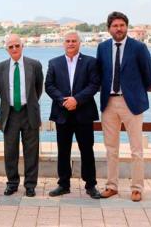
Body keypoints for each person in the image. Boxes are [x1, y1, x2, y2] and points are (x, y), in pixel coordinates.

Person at [97, 11, 151, 202]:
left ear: (126, 27)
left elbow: (149, 77)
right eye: (115, 26)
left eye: (122, 25)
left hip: (132, 103)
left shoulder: (139, 47)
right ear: (109, 29)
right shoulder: (102, 47)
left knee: (136, 149)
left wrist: (134, 91)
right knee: (111, 148)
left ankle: (137, 188)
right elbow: (99, 73)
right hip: (109, 102)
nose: (119, 28)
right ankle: (111, 186)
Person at [45, 31, 101, 199]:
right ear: (63, 43)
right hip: (62, 114)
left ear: (79, 43)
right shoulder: (54, 63)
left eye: (74, 41)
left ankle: (91, 185)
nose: (70, 43)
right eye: (68, 41)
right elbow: (49, 85)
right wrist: (64, 100)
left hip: (84, 113)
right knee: (63, 150)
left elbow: (94, 85)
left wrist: (76, 99)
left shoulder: (91, 62)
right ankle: (63, 184)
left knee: (87, 150)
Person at [0, 34, 43, 197]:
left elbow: (38, 89)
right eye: (10, 46)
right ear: (6, 49)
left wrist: (27, 102)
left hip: (29, 112)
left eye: (17, 45)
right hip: (10, 114)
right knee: (10, 151)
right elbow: (1, 91)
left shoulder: (34, 65)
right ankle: (12, 183)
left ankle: (30, 185)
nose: (14, 49)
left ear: (22, 46)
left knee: (31, 151)